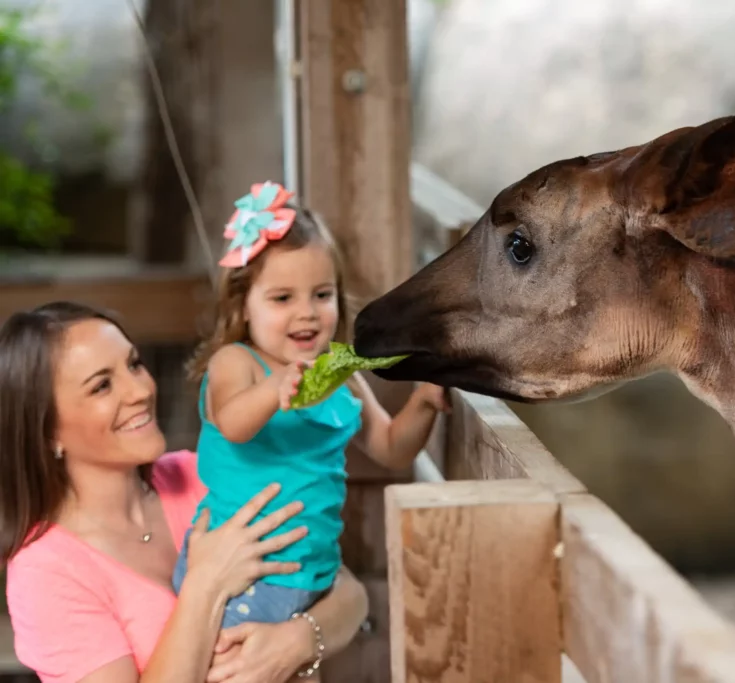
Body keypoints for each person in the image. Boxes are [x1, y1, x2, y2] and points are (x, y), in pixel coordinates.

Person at [1, 301, 369, 683]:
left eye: (134, 364)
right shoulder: (44, 572)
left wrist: (298, 640)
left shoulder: (197, 476)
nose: (139, 390)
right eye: (102, 386)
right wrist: (205, 584)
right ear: (48, 433)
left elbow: (349, 593)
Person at [173, 180, 447, 628]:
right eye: (282, 298)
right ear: (243, 307)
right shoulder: (236, 363)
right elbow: (232, 424)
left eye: (322, 295)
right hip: (243, 578)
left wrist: (423, 401)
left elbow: (392, 447)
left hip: (315, 575)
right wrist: (272, 390)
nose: (307, 313)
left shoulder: (341, 376)